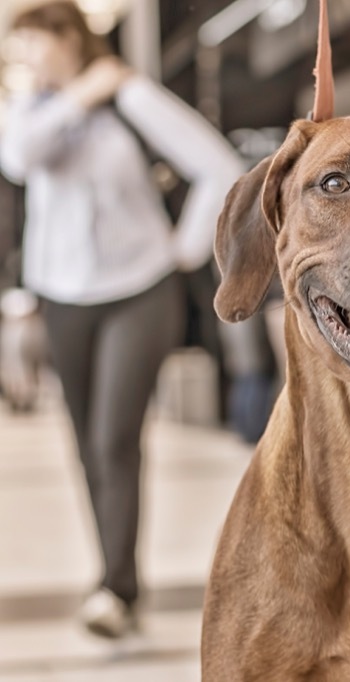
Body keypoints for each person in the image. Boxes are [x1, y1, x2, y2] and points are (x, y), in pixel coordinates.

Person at [0, 1, 244, 637]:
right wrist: (82, 93)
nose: (27, 59)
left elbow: (218, 165)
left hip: (140, 291)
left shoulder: (130, 97)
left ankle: (115, 588)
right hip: (61, 295)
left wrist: (181, 250)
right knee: (87, 443)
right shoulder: (29, 111)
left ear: (68, 38)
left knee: (114, 436)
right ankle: (113, 571)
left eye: (35, 44)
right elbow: (18, 158)